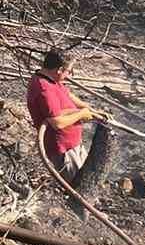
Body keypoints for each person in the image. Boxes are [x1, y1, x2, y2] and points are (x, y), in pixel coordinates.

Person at [26, 49, 103, 183]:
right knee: (77, 185)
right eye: (69, 71)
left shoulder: (51, 79)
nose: (70, 75)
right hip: (63, 150)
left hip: (74, 144)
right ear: (60, 69)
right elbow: (57, 123)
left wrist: (91, 110)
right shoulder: (44, 89)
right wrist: (82, 114)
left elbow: (68, 95)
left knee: (87, 179)